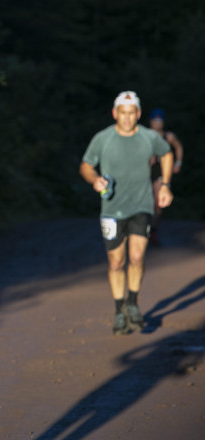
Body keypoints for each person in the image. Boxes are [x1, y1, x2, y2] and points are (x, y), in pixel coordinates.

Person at [79, 91, 173, 335]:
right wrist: (95, 180)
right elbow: (86, 166)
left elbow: (167, 153)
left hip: (141, 205)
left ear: (138, 114)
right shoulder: (103, 139)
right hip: (111, 209)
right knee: (116, 261)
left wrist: (164, 185)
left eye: (132, 113)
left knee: (137, 257)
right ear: (115, 113)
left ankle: (132, 304)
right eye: (123, 113)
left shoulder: (149, 137)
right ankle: (119, 310)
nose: (128, 118)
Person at [148, 108, 184, 245]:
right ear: (150, 121)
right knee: (144, 203)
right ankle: (141, 230)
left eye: (159, 121)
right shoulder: (144, 135)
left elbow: (179, 147)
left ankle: (153, 231)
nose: (157, 123)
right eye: (155, 120)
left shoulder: (168, 136)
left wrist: (178, 163)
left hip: (160, 172)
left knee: (158, 204)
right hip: (144, 172)